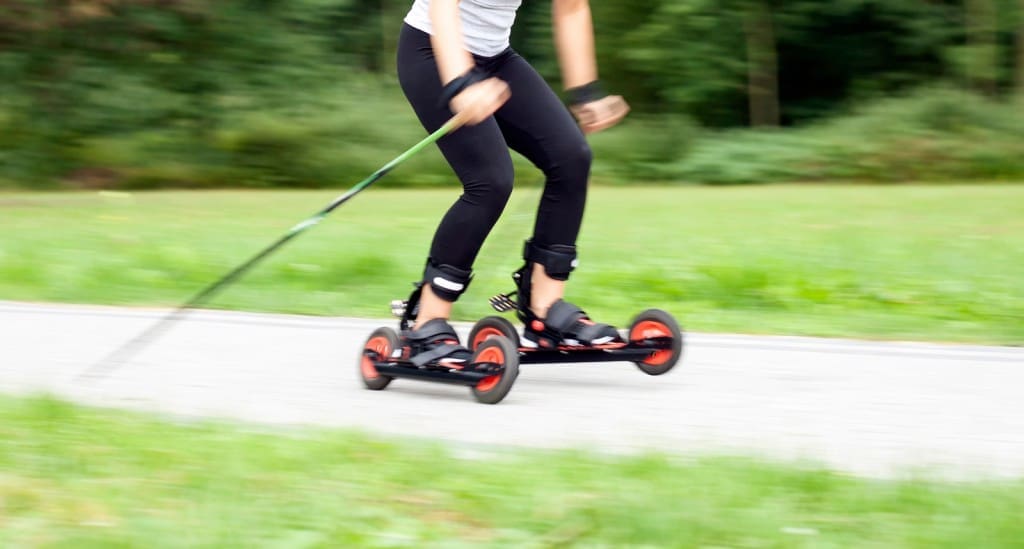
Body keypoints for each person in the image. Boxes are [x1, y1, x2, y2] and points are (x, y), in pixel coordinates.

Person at [397, 0, 631, 366]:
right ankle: (426, 322)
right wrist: (462, 81)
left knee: (572, 158)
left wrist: (585, 93)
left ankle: (545, 307)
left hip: (496, 58)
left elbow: (571, 8)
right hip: (432, 49)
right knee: (490, 181)